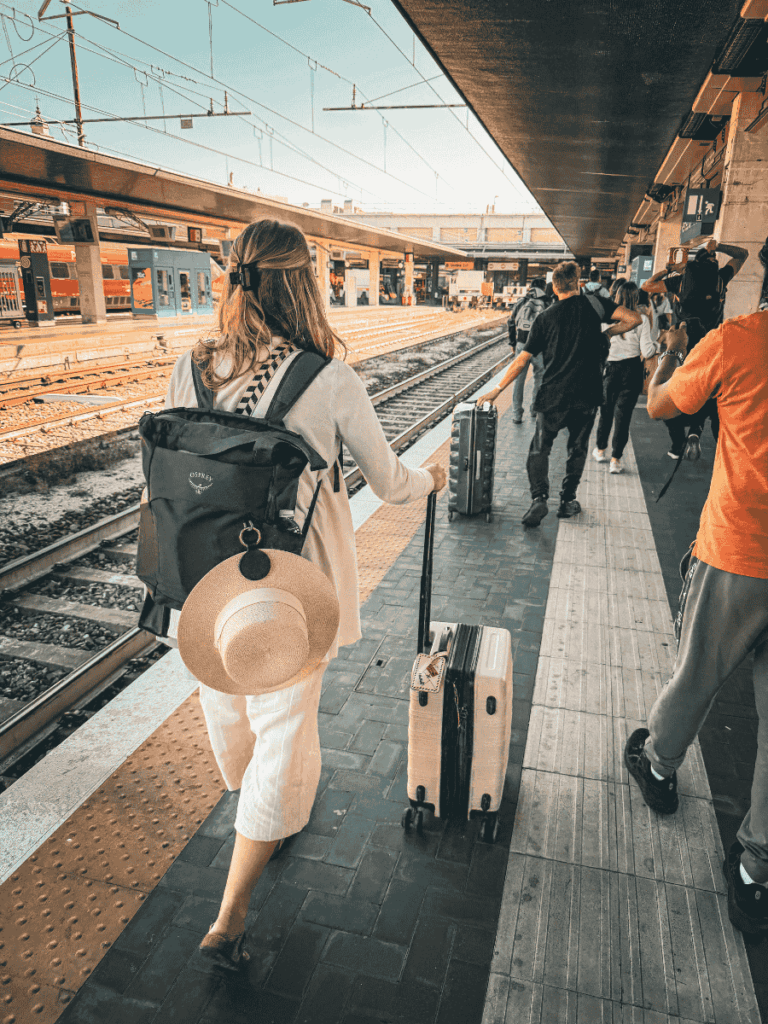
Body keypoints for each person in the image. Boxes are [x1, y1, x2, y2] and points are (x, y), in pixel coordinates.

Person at [162, 219, 446, 967]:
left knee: (225, 701)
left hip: (202, 580)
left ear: (235, 277)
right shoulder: (327, 378)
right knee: (285, 734)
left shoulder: (191, 366)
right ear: (302, 284)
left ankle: (252, 803)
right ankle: (231, 915)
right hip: (290, 586)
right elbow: (389, 481)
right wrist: (432, 478)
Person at [623, 291, 768, 938]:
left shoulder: (737, 340)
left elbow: (659, 405)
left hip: (740, 550)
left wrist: (669, 354)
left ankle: (657, 764)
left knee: (698, 673)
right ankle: (755, 871)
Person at [476, 261, 640, 525]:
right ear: (578, 283)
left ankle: (539, 498)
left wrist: (496, 390)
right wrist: (608, 334)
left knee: (540, 448)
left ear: (554, 286)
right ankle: (567, 501)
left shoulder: (545, 317)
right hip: (587, 395)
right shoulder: (596, 305)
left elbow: (521, 361)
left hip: (553, 395)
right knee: (577, 449)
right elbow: (634, 318)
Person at [642, 236, 748, 460]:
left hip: (682, 344)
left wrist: (667, 270)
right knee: (710, 390)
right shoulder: (720, 278)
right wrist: (717, 245)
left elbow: (647, 286)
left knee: (672, 388)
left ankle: (678, 442)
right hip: (711, 346)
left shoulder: (679, 281)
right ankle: (697, 430)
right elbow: (742, 254)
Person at [592, 282, 657, 474]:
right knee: (623, 416)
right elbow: (647, 351)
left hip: (610, 370)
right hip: (632, 371)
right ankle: (616, 460)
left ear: (617, 297)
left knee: (606, 412)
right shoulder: (642, 319)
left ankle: (601, 450)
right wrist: (656, 345)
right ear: (636, 298)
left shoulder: (606, 318)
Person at [507, 277, 548, 423]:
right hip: (538, 347)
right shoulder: (546, 301)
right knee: (539, 377)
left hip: (522, 343)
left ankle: (517, 414)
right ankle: (534, 410)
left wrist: (513, 342)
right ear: (543, 287)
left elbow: (511, 322)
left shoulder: (521, 301)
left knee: (518, 379)